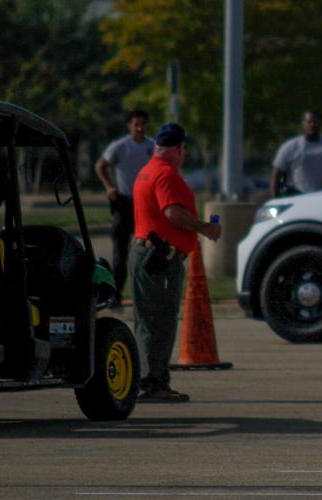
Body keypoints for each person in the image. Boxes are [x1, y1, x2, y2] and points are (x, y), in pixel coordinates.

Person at [130, 123, 221, 403]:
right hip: (160, 257)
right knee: (161, 321)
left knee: (146, 320)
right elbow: (172, 212)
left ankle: (145, 379)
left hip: (146, 252)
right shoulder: (166, 174)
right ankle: (154, 383)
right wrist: (204, 227)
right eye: (183, 148)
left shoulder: (147, 171)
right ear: (178, 149)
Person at [95, 109, 153, 304]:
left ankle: (145, 294)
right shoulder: (119, 146)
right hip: (124, 202)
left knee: (146, 250)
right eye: (136, 124)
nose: (140, 128)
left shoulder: (152, 147)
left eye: (143, 124)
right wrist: (109, 187)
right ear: (129, 126)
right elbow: (100, 165)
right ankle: (116, 293)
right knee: (120, 253)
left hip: (145, 204)